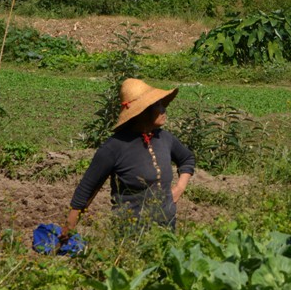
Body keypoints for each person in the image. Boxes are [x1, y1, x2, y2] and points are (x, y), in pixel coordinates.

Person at [61, 78, 195, 241]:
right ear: (143, 111)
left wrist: (179, 189)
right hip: (130, 236)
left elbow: (187, 159)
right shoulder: (114, 147)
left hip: (166, 233)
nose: (164, 109)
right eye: (158, 105)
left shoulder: (165, 138)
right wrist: (68, 230)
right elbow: (86, 190)